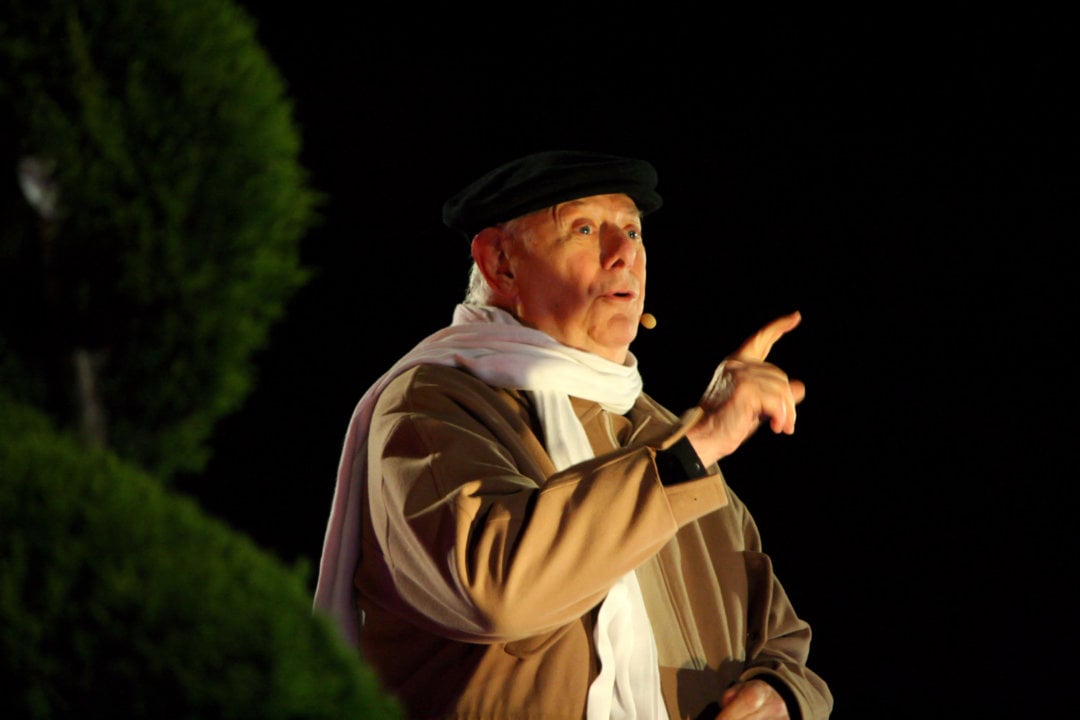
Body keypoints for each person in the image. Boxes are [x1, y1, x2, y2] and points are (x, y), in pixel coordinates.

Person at [314, 149, 833, 719]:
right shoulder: (432, 406)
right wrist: (699, 443)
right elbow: (496, 592)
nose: (623, 253)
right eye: (584, 229)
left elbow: (778, 635)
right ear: (500, 263)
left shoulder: (661, 431)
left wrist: (780, 693)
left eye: (632, 231)